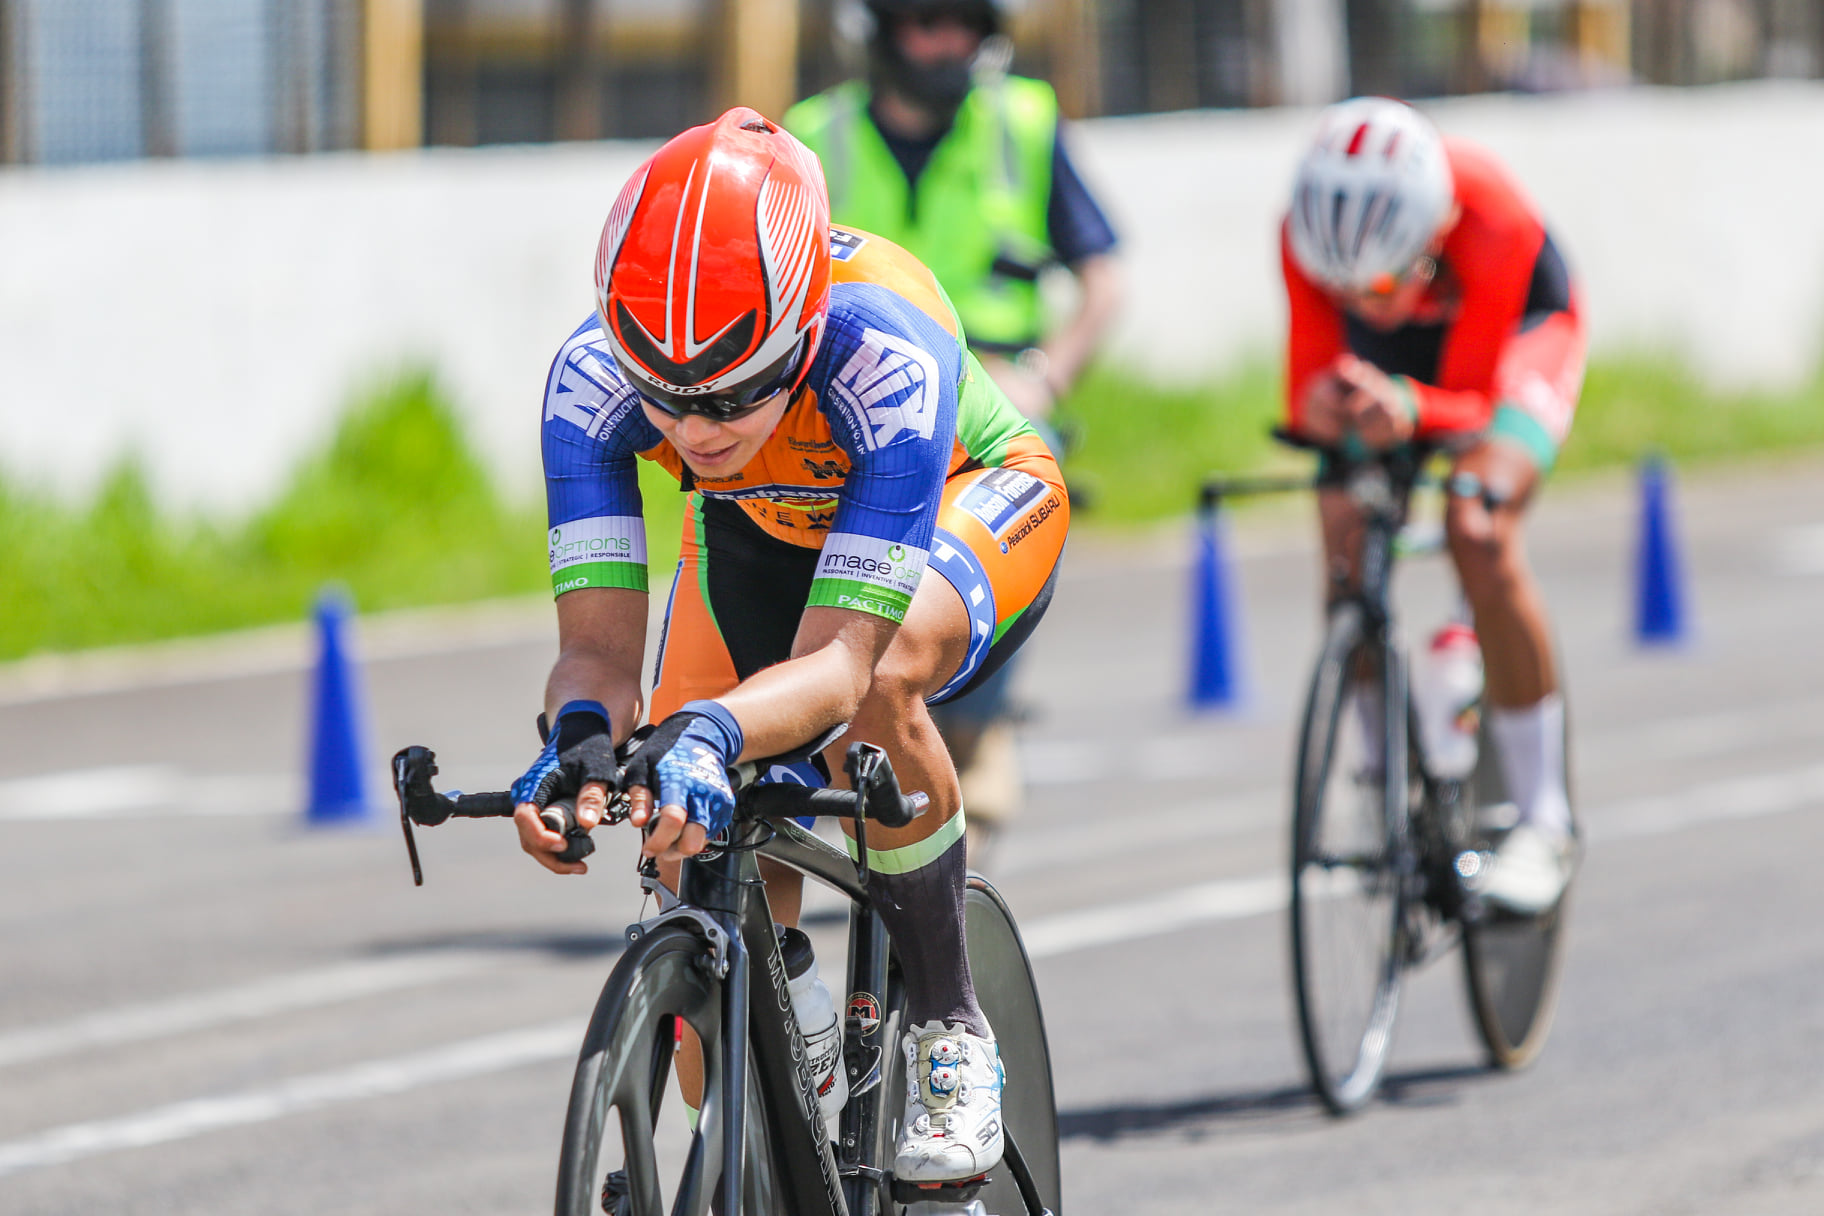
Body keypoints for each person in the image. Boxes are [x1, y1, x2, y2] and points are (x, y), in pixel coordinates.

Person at [509, 108, 1069, 1184]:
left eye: (731, 392)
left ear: (803, 334)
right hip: (760, 531)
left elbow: (842, 667)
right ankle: (788, 1006)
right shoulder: (589, 386)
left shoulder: (885, 353)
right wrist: (578, 744)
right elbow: (595, 654)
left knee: (872, 693)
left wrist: (711, 729)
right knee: (684, 840)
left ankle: (950, 1023)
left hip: (964, 499)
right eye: (664, 401)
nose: (695, 429)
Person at [785, 0, 1120, 856]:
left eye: (963, 26)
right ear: (877, 34)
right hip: (843, 397)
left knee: (988, 537)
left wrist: (1044, 374)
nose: (945, 44)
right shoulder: (811, 135)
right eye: (923, 24)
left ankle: (974, 718)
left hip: (991, 393)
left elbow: (1104, 279)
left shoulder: (1026, 123)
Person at [1281, 96, 1583, 914]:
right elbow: (1305, 393)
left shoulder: (1492, 216)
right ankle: (1385, 766)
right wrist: (1336, 410)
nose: (1363, 301)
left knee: (1476, 523)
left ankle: (1544, 820)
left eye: (1379, 282)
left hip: (1519, 332)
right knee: (1343, 522)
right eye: (1341, 287)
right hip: (1400, 361)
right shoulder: (1310, 240)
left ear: (1433, 231)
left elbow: (1475, 402)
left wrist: (1411, 410)